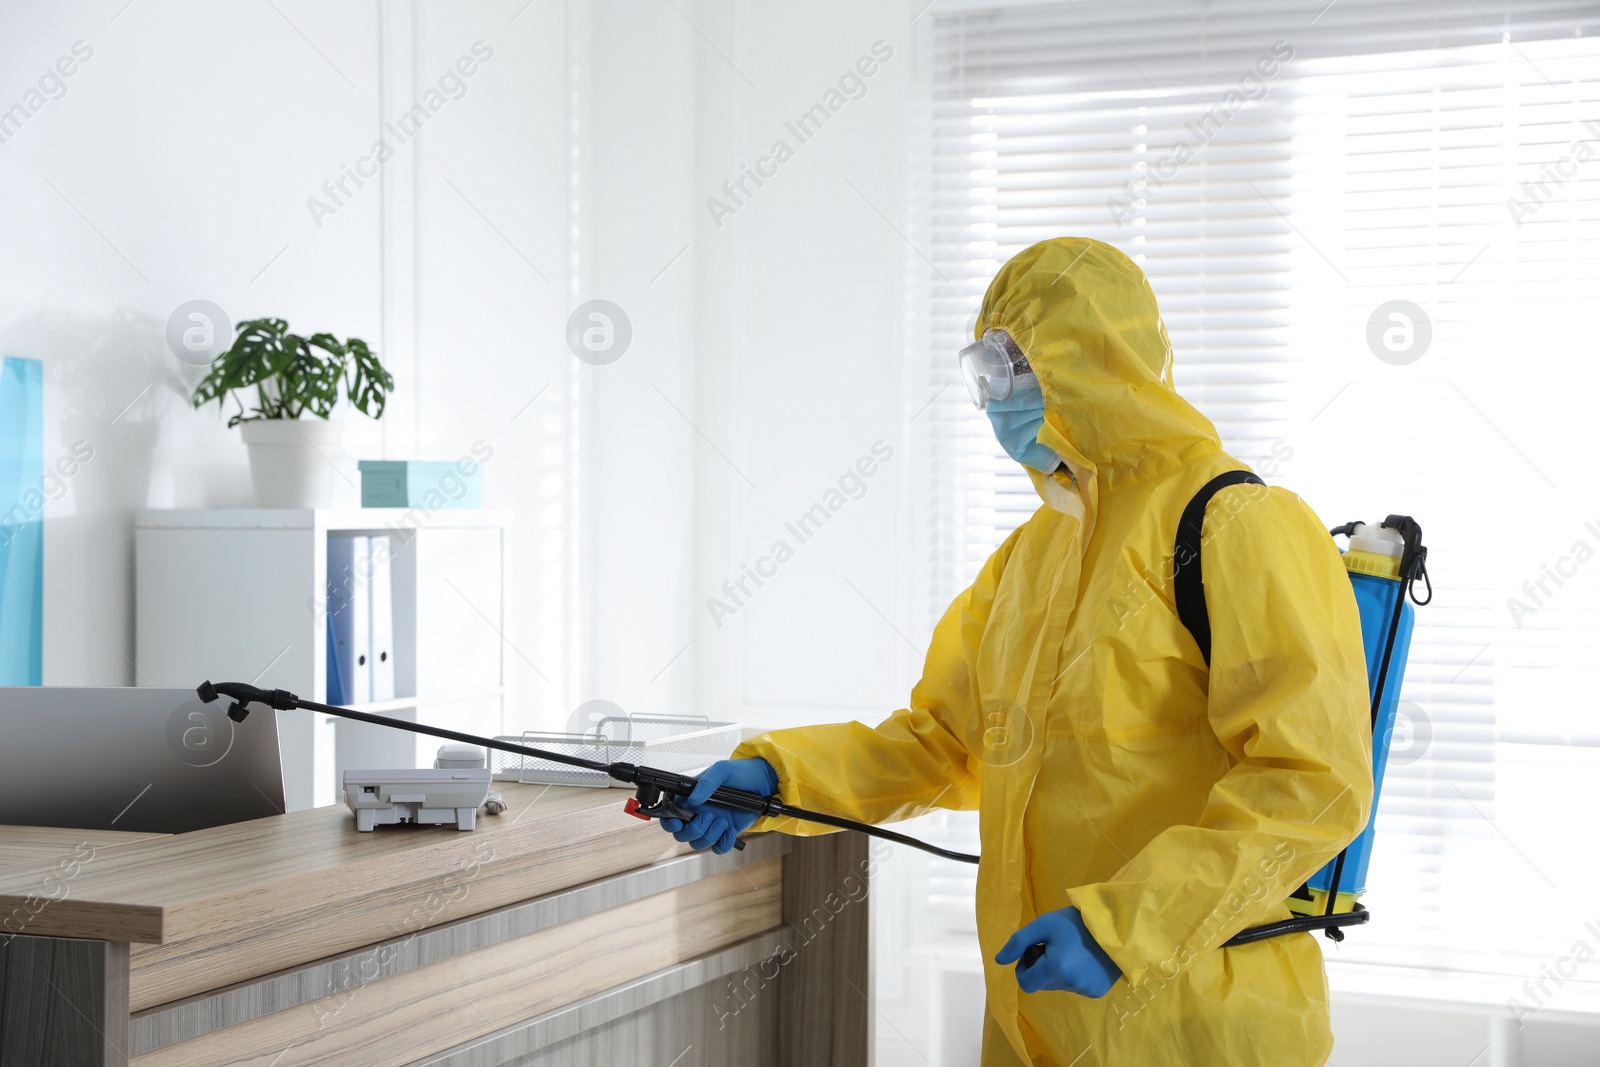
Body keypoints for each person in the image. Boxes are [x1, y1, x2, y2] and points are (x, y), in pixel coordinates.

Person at [657, 237, 1374, 1066]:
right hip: (1040, 1024)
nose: (995, 398)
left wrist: (1119, 928)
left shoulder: (1235, 524)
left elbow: (1312, 784)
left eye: (1014, 365)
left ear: (1095, 363)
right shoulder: (1029, 558)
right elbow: (947, 744)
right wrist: (780, 779)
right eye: (986, 370)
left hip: (1199, 1028)